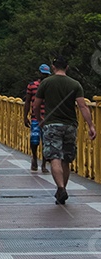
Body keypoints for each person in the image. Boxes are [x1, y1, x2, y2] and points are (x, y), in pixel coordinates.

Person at [33, 55, 97, 205]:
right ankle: (63, 188)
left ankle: (60, 188)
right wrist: (91, 125)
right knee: (66, 159)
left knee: (54, 157)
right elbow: (83, 106)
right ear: (67, 67)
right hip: (70, 126)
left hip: (51, 125)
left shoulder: (46, 83)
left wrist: (40, 120)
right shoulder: (75, 84)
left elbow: (36, 105)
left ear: (53, 67)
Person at [24, 64, 50, 173]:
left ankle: (44, 164)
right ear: (39, 73)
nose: (44, 76)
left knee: (46, 142)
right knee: (34, 140)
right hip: (35, 117)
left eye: (46, 74)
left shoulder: (51, 85)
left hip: (48, 118)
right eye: (43, 74)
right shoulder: (32, 85)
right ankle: (34, 157)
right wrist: (25, 116)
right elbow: (28, 101)